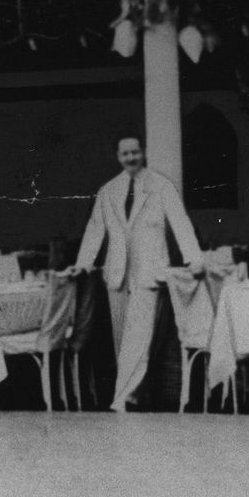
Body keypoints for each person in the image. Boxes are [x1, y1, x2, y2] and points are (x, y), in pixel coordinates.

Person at [71, 131, 203, 412]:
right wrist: (84, 262)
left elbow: (180, 221)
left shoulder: (161, 186)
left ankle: (123, 398)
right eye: (125, 153)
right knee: (123, 339)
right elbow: (95, 228)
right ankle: (135, 396)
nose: (130, 157)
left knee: (139, 336)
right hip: (118, 274)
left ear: (143, 153)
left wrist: (193, 258)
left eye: (135, 152)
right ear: (118, 157)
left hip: (149, 271)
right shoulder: (109, 190)